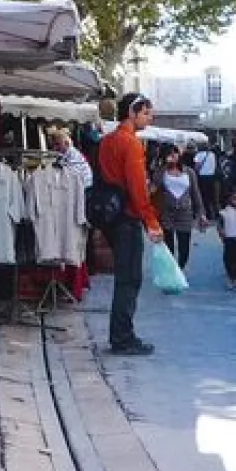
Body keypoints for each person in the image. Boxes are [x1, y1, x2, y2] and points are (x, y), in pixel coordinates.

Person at [97, 93, 163, 356]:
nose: (150, 117)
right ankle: (122, 337)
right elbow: (138, 189)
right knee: (129, 279)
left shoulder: (106, 141)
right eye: (146, 113)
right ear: (133, 112)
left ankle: (120, 334)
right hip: (127, 217)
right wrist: (152, 222)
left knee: (124, 277)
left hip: (110, 216)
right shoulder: (132, 144)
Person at [150, 144, 207, 269]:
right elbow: (153, 189)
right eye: (169, 154)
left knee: (184, 247)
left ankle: (180, 268)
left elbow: (195, 193)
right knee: (168, 246)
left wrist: (201, 213)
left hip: (185, 212)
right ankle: (172, 271)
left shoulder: (189, 172)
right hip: (167, 212)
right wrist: (161, 168)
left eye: (175, 153)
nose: (172, 156)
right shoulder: (161, 172)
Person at [193, 143, 219, 213]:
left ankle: (208, 212)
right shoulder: (212, 155)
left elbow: (196, 167)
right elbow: (215, 165)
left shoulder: (198, 155)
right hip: (212, 177)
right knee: (213, 196)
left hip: (202, 177)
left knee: (204, 196)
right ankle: (216, 212)